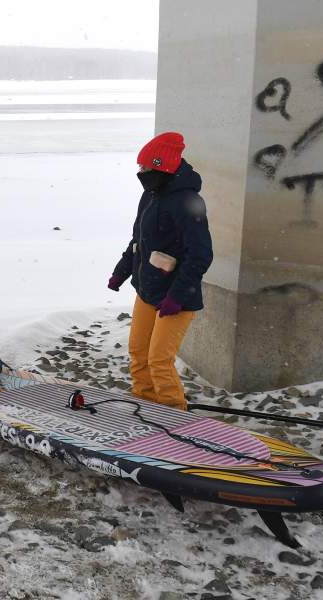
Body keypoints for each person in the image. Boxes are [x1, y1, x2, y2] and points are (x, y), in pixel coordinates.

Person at [108, 132, 213, 411]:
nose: (141, 173)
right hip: (147, 291)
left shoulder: (187, 202)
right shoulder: (151, 194)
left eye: (145, 168)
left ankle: (174, 414)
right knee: (139, 354)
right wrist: (122, 271)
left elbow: (200, 254)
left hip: (175, 299)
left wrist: (177, 296)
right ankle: (144, 405)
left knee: (159, 361)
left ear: (162, 166)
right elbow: (138, 242)